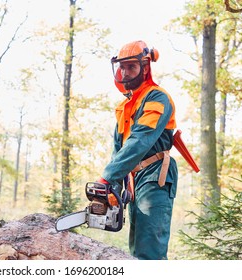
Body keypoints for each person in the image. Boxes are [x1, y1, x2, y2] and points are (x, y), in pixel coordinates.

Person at [97, 40, 178, 260]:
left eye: (131, 67)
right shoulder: (126, 105)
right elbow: (119, 148)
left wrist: (106, 177)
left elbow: (140, 140)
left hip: (155, 175)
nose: (125, 72)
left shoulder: (157, 98)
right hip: (135, 179)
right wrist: (113, 184)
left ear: (145, 67)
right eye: (122, 67)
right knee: (136, 248)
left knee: (149, 251)